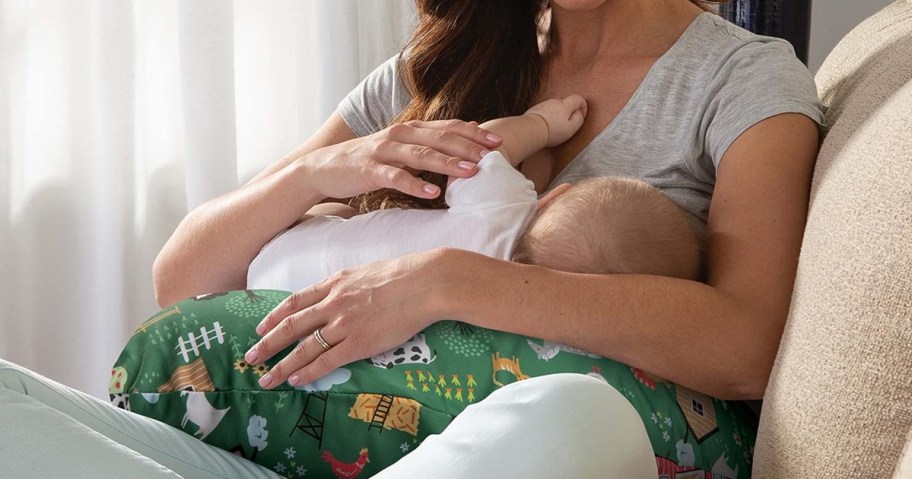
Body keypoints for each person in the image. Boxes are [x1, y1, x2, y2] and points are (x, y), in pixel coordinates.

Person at [149, 0, 823, 476]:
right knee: (37, 409)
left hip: (566, 444)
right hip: (334, 442)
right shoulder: (446, 65)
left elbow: (746, 344)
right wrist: (311, 174)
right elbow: (183, 278)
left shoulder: (742, 78)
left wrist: (443, 282)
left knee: (568, 414)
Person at [247, 95, 700, 294]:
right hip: (287, 303)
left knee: (331, 210)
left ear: (552, 197)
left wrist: (541, 125)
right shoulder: (507, 318)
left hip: (284, 254)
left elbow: (479, 148)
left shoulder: (505, 208)